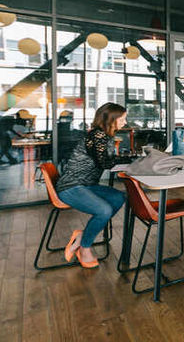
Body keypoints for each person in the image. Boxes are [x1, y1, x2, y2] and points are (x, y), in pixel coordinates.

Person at [57, 103, 128, 268]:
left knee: (118, 198)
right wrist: (131, 160)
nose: (125, 122)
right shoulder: (97, 136)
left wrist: (127, 160)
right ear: (111, 119)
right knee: (104, 210)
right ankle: (84, 248)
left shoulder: (105, 136)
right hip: (70, 186)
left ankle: (82, 237)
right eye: (122, 119)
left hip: (87, 185)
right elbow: (105, 163)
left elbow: (109, 161)